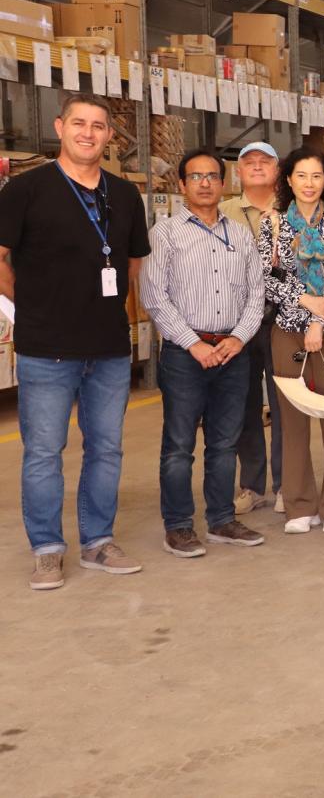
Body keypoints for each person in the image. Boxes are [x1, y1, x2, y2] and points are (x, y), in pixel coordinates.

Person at [0, 93, 150, 590]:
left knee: (106, 449)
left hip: (108, 346)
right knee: (44, 451)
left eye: (99, 126)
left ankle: (98, 541)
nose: (89, 133)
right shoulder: (25, 189)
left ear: (109, 136)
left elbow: (132, 263)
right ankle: (47, 550)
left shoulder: (124, 195)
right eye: (79, 123)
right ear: (60, 127)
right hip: (46, 347)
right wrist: (32, 304)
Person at [141, 150, 267, 557]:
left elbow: (256, 293)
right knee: (179, 445)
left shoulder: (241, 235)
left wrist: (239, 338)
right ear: (182, 185)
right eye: (196, 176)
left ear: (223, 183)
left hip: (233, 352)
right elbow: (154, 296)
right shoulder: (165, 234)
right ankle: (178, 526)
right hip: (185, 354)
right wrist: (193, 343)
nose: (205, 183)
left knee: (225, 442)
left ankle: (221, 520)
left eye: (212, 175)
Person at [261, 148, 324, 537]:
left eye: (316, 176)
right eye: (301, 175)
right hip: (286, 329)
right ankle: (299, 504)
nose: (309, 184)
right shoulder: (274, 224)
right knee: (292, 417)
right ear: (288, 180)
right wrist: (304, 300)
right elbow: (267, 278)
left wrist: (318, 319)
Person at [222, 141, 284, 515]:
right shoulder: (224, 213)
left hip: (283, 318)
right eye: (250, 162)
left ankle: (286, 484)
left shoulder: (293, 208)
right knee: (245, 403)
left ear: (277, 170)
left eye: (265, 161)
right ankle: (252, 485)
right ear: (239, 172)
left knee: (283, 403)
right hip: (239, 322)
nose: (257, 166)